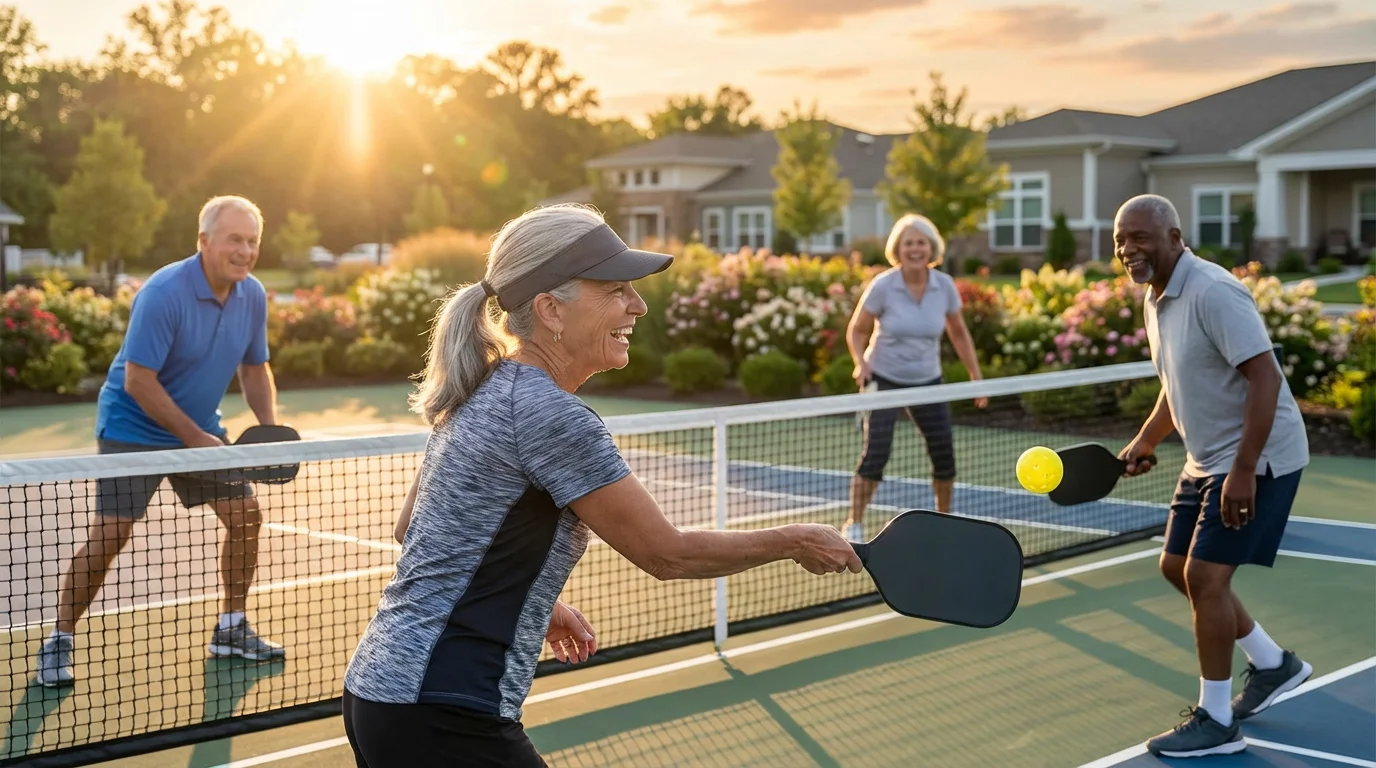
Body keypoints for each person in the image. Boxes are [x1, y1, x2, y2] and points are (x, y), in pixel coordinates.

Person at [340, 204, 862, 767]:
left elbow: (409, 529)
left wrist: (534, 599)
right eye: (615, 290)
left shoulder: (481, 386)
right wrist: (796, 540)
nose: (638, 305)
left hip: (380, 692)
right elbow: (668, 554)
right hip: (443, 707)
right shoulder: (549, 414)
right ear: (550, 310)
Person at [36, 195, 286, 689]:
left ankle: (231, 629)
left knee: (245, 517)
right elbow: (138, 382)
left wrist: (270, 431)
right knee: (112, 535)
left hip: (200, 428)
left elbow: (255, 368)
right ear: (204, 241)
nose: (244, 251)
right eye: (234, 239)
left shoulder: (252, 294)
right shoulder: (163, 292)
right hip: (133, 429)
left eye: (252, 241)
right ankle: (59, 640)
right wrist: (194, 439)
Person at [1113, 194, 1312, 758]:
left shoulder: (1214, 291)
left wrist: (1244, 471)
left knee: (1205, 577)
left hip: (1259, 457)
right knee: (1177, 568)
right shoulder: (1155, 298)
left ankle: (1217, 720)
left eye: (1141, 237)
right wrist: (1148, 439)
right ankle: (1274, 665)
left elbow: (1265, 379)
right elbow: (1179, 379)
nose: (1129, 249)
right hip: (1206, 458)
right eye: (1121, 241)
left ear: (1176, 237)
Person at [841, 213, 985, 542]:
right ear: (898, 249)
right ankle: (855, 523)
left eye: (921, 243)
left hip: (927, 381)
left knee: (943, 454)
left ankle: (944, 521)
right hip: (884, 377)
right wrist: (860, 363)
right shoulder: (883, 286)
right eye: (908, 243)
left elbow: (959, 334)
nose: (915, 249)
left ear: (930, 247)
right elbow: (857, 330)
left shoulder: (944, 286)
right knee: (876, 453)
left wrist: (976, 377)